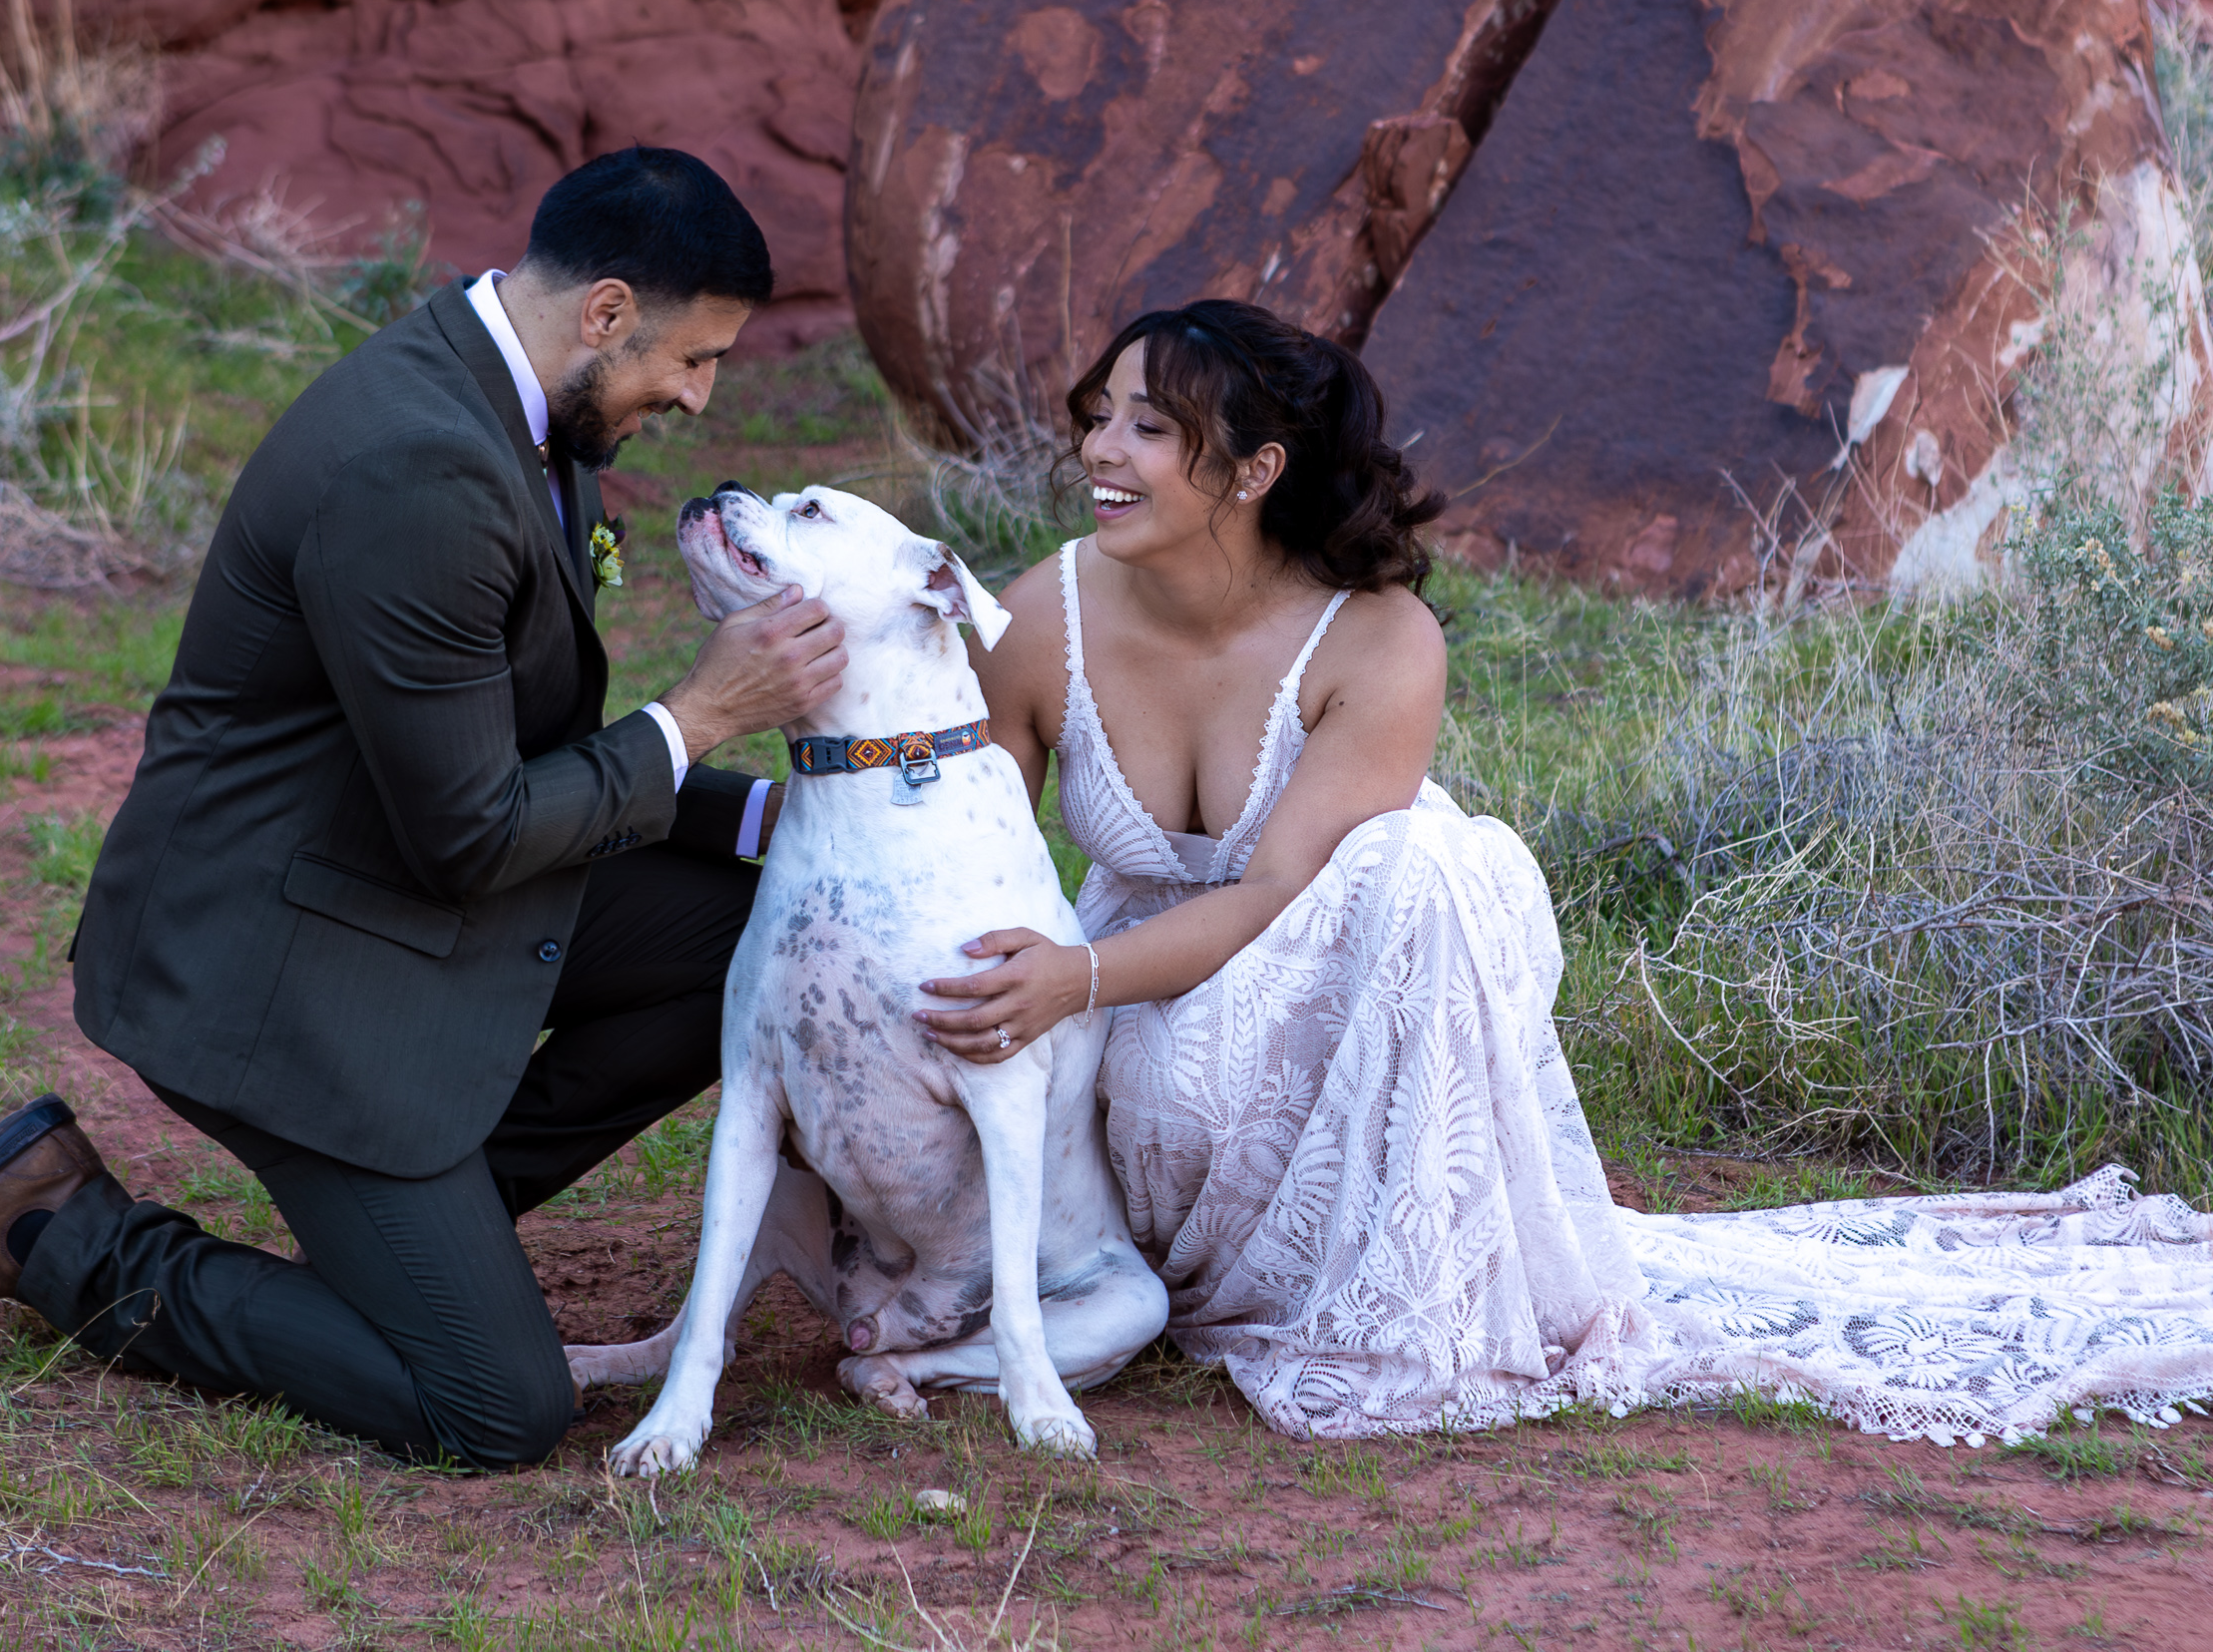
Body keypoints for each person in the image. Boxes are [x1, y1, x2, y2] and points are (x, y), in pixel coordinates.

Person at [921, 299, 2213, 1444]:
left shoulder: (1376, 639)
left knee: (1427, 860)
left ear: (1257, 468)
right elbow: (964, 845)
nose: (1098, 450)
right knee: (1148, 1071)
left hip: (1327, 988)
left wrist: (1078, 979)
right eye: (1103, 417)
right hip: (1133, 1002)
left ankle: (1398, 1298)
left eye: (1148, 429)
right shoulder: (1046, 615)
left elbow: (1273, 901)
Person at [0, 148, 844, 1469]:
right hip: (275, 964)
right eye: (691, 359)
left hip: (391, 880)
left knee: (767, 921)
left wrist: (787, 821)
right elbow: (474, 831)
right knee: (496, 1410)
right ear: (603, 313)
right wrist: (701, 715)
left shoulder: (526, 411)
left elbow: (512, 749)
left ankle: (423, 1234)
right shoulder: (424, 466)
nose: (698, 396)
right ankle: (56, 1232)